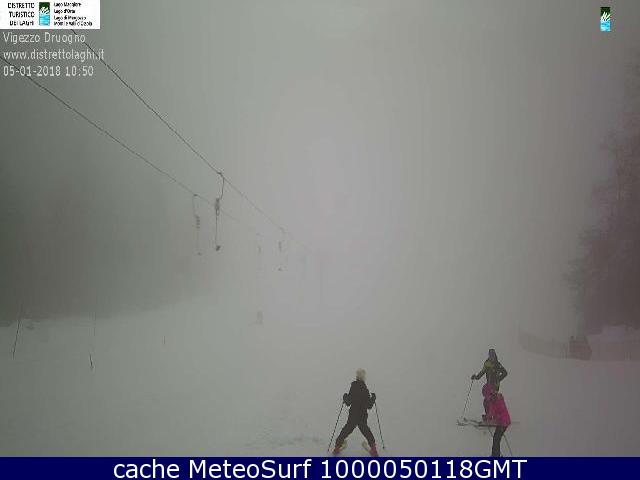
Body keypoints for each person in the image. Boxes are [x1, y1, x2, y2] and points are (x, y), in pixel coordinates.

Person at [333, 368, 378, 456]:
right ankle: (373, 449)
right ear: (364, 378)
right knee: (366, 431)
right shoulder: (365, 389)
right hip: (362, 416)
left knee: (346, 430)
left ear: (356, 377)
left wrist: (345, 397)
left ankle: (337, 447)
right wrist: (373, 398)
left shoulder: (353, 387)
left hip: (353, 415)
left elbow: (348, 402)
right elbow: (369, 405)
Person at [471, 349, 508, 418]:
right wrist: (476, 377)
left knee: (492, 400)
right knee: (487, 401)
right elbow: (482, 372)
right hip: (489, 385)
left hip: (495, 385)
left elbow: (505, 373)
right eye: (490, 355)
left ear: (495, 355)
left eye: (493, 355)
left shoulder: (497, 364)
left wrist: (498, 379)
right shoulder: (487, 363)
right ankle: (489, 415)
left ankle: (494, 416)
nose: (492, 357)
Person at [482, 383, 511, 457]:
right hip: (500, 422)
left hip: (504, 422)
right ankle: (495, 455)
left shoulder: (498, 399)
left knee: (496, 439)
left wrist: (496, 418)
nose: (486, 398)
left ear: (490, 394)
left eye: (486, 396)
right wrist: (487, 417)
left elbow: (502, 412)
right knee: (496, 439)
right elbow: (492, 412)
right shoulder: (492, 401)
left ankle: (496, 456)